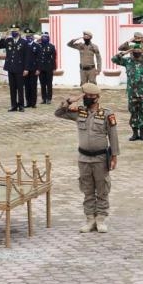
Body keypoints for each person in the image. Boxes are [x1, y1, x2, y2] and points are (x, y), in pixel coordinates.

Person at [55, 83, 119, 233]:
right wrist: (70, 100)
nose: (87, 99)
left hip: (101, 158)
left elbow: (113, 136)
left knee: (102, 189)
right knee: (87, 189)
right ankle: (90, 218)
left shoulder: (106, 114)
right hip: (83, 158)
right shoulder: (79, 112)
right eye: (85, 96)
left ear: (97, 98)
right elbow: (58, 113)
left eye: (90, 96)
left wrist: (114, 156)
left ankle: (101, 218)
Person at [112, 45, 143, 141]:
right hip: (132, 93)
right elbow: (114, 59)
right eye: (134, 50)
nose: (136, 52)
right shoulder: (128, 62)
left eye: (138, 50)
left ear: (142, 52)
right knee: (133, 113)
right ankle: (135, 134)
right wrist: (125, 52)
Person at [0, 24, 29, 112]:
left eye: (15, 31)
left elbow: (26, 56)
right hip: (10, 67)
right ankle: (13, 105)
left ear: (19, 32)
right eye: (12, 31)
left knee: (20, 88)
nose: (14, 32)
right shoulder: (8, 40)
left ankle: (21, 105)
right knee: (12, 88)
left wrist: (26, 68)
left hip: (20, 68)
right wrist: (3, 38)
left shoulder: (24, 42)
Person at [37, 31, 57, 104]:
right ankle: (43, 98)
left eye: (45, 37)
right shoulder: (38, 45)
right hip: (41, 68)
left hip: (49, 68)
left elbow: (54, 58)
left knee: (49, 84)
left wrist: (54, 68)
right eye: (42, 37)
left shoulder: (51, 46)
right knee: (42, 84)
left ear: (48, 38)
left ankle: (49, 99)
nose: (44, 38)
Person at [23, 28, 39, 108]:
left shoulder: (36, 46)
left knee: (33, 86)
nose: (28, 37)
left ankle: (33, 103)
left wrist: (38, 69)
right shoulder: (24, 45)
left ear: (33, 37)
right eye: (27, 36)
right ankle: (28, 102)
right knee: (27, 86)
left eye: (30, 36)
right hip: (25, 69)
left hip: (34, 69)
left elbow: (39, 59)